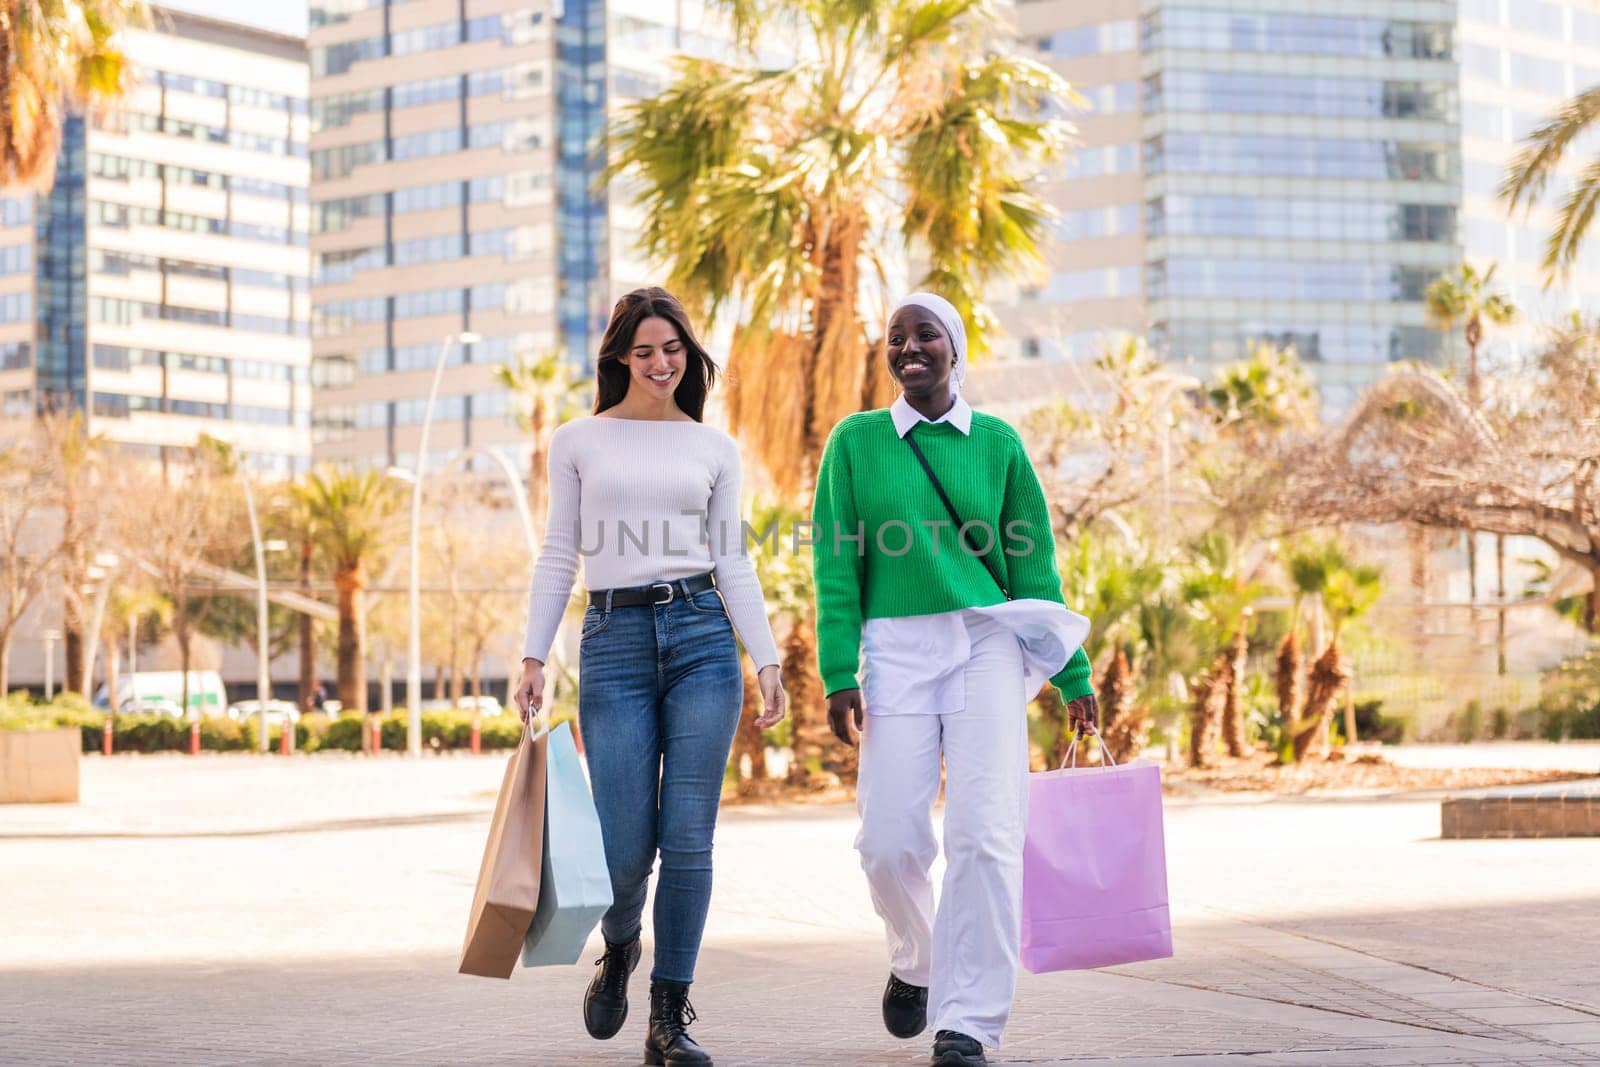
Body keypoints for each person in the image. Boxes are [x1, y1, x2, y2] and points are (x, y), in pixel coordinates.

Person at [811, 293, 1096, 1067]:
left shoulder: (998, 444)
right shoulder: (856, 442)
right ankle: (919, 958)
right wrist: (839, 669)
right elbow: (836, 561)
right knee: (889, 840)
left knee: (986, 832)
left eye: (924, 333)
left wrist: (1074, 674)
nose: (909, 346)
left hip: (985, 646)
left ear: (954, 348)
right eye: (896, 337)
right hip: (894, 650)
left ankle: (969, 1021)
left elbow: (1034, 571)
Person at [514, 287, 787, 1067]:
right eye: (645, 351)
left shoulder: (714, 448)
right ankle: (622, 944)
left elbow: (733, 558)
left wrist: (765, 655)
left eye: (673, 349)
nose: (661, 362)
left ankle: (670, 1016)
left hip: (704, 637)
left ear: (688, 356)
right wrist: (533, 655)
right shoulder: (578, 440)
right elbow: (560, 552)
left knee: (690, 838)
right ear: (620, 358)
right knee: (626, 847)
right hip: (615, 640)